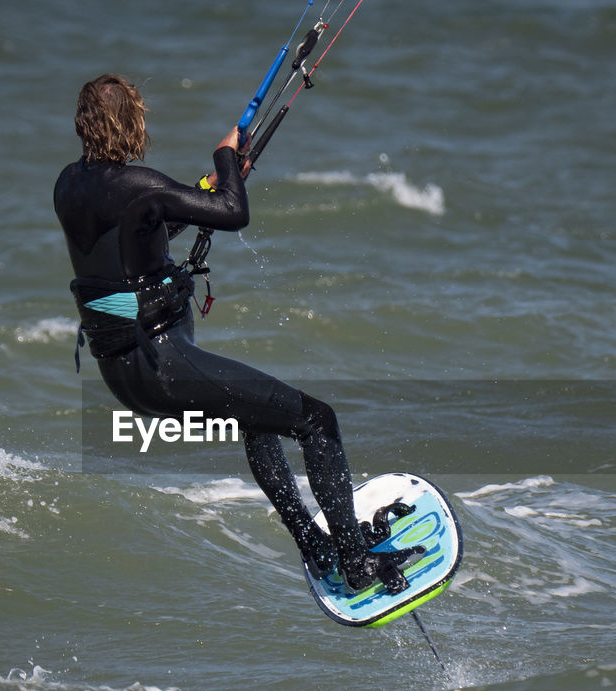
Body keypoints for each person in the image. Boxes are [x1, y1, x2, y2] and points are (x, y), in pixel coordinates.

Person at [53, 73, 421, 593]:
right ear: (132, 122)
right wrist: (227, 162)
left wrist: (202, 189)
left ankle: (317, 546)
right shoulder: (141, 187)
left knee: (256, 419)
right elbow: (233, 213)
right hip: (162, 366)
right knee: (317, 421)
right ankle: (357, 564)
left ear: (83, 123)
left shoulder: (68, 185)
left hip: (122, 373)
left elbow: (140, 233)